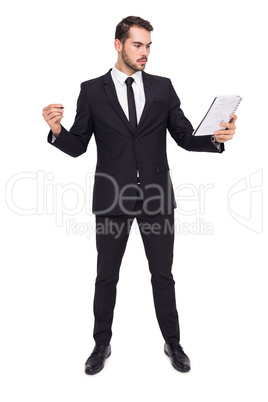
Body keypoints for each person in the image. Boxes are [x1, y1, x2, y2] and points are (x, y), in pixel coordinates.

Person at [42, 16, 237, 375]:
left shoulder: (163, 87)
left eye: (148, 46)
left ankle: (173, 342)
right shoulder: (91, 90)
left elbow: (183, 136)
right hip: (111, 197)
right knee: (106, 275)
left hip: (157, 197)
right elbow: (78, 146)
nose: (145, 52)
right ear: (118, 44)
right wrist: (57, 130)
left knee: (163, 275)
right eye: (137, 45)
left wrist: (215, 139)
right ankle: (101, 344)